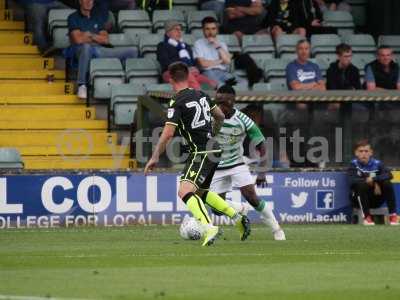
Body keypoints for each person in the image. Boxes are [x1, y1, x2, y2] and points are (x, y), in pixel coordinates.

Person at [144, 62, 251, 246]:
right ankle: (237, 217)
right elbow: (220, 116)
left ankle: (209, 227)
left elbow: (168, 133)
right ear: (188, 76)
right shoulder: (201, 95)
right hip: (214, 149)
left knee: (184, 191)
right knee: (201, 193)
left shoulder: (176, 101)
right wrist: (213, 133)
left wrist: (154, 157)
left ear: (170, 79)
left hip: (201, 151)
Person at [210, 85, 286, 240]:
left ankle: (276, 229)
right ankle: (240, 208)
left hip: (237, 163)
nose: (218, 106)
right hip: (216, 167)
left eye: (222, 102)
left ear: (232, 102)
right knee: (217, 209)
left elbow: (262, 146)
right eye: (216, 102)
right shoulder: (210, 117)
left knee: (251, 196)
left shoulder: (243, 120)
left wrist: (262, 171)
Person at [68, 0, 137, 99]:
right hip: (80, 51)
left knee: (132, 51)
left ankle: (129, 86)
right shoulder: (73, 17)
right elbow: (78, 39)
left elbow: (105, 39)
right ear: (80, 1)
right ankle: (82, 85)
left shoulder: (97, 17)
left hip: (99, 50)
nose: (88, 2)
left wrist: (90, 35)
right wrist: (96, 38)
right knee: (86, 47)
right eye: (86, 0)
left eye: (91, 0)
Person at [348, 139, 398, 226]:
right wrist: (371, 183)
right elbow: (352, 181)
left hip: (376, 198)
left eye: (366, 151)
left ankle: (393, 215)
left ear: (371, 152)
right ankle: (367, 217)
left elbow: (389, 175)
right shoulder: (353, 164)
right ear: (356, 153)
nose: (364, 154)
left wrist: (374, 180)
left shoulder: (377, 163)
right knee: (360, 185)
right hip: (359, 199)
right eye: (361, 151)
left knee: (387, 183)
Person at [157, 20, 217, 90]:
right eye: (176, 29)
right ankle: (197, 97)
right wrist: (185, 69)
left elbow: (193, 62)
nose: (179, 32)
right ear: (168, 33)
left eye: (180, 30)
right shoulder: (162, 46)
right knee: (191, 80)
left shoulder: (185, 46)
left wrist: (195, 68)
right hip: (172, 73)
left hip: (190, 73)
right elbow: (165, 63)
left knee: (212, 83)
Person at [193, 17, 239, 87]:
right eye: (207, 29)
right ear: (203, 30)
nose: (210, 32)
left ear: (217, 30)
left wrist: (217, 46)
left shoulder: (221, 44)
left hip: (223, 72)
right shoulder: (198, 43)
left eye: (213, 29)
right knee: (222, 86)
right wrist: (221, 61)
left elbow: (227, 61)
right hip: (207, 72)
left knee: (241, 83)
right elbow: (203, 64)